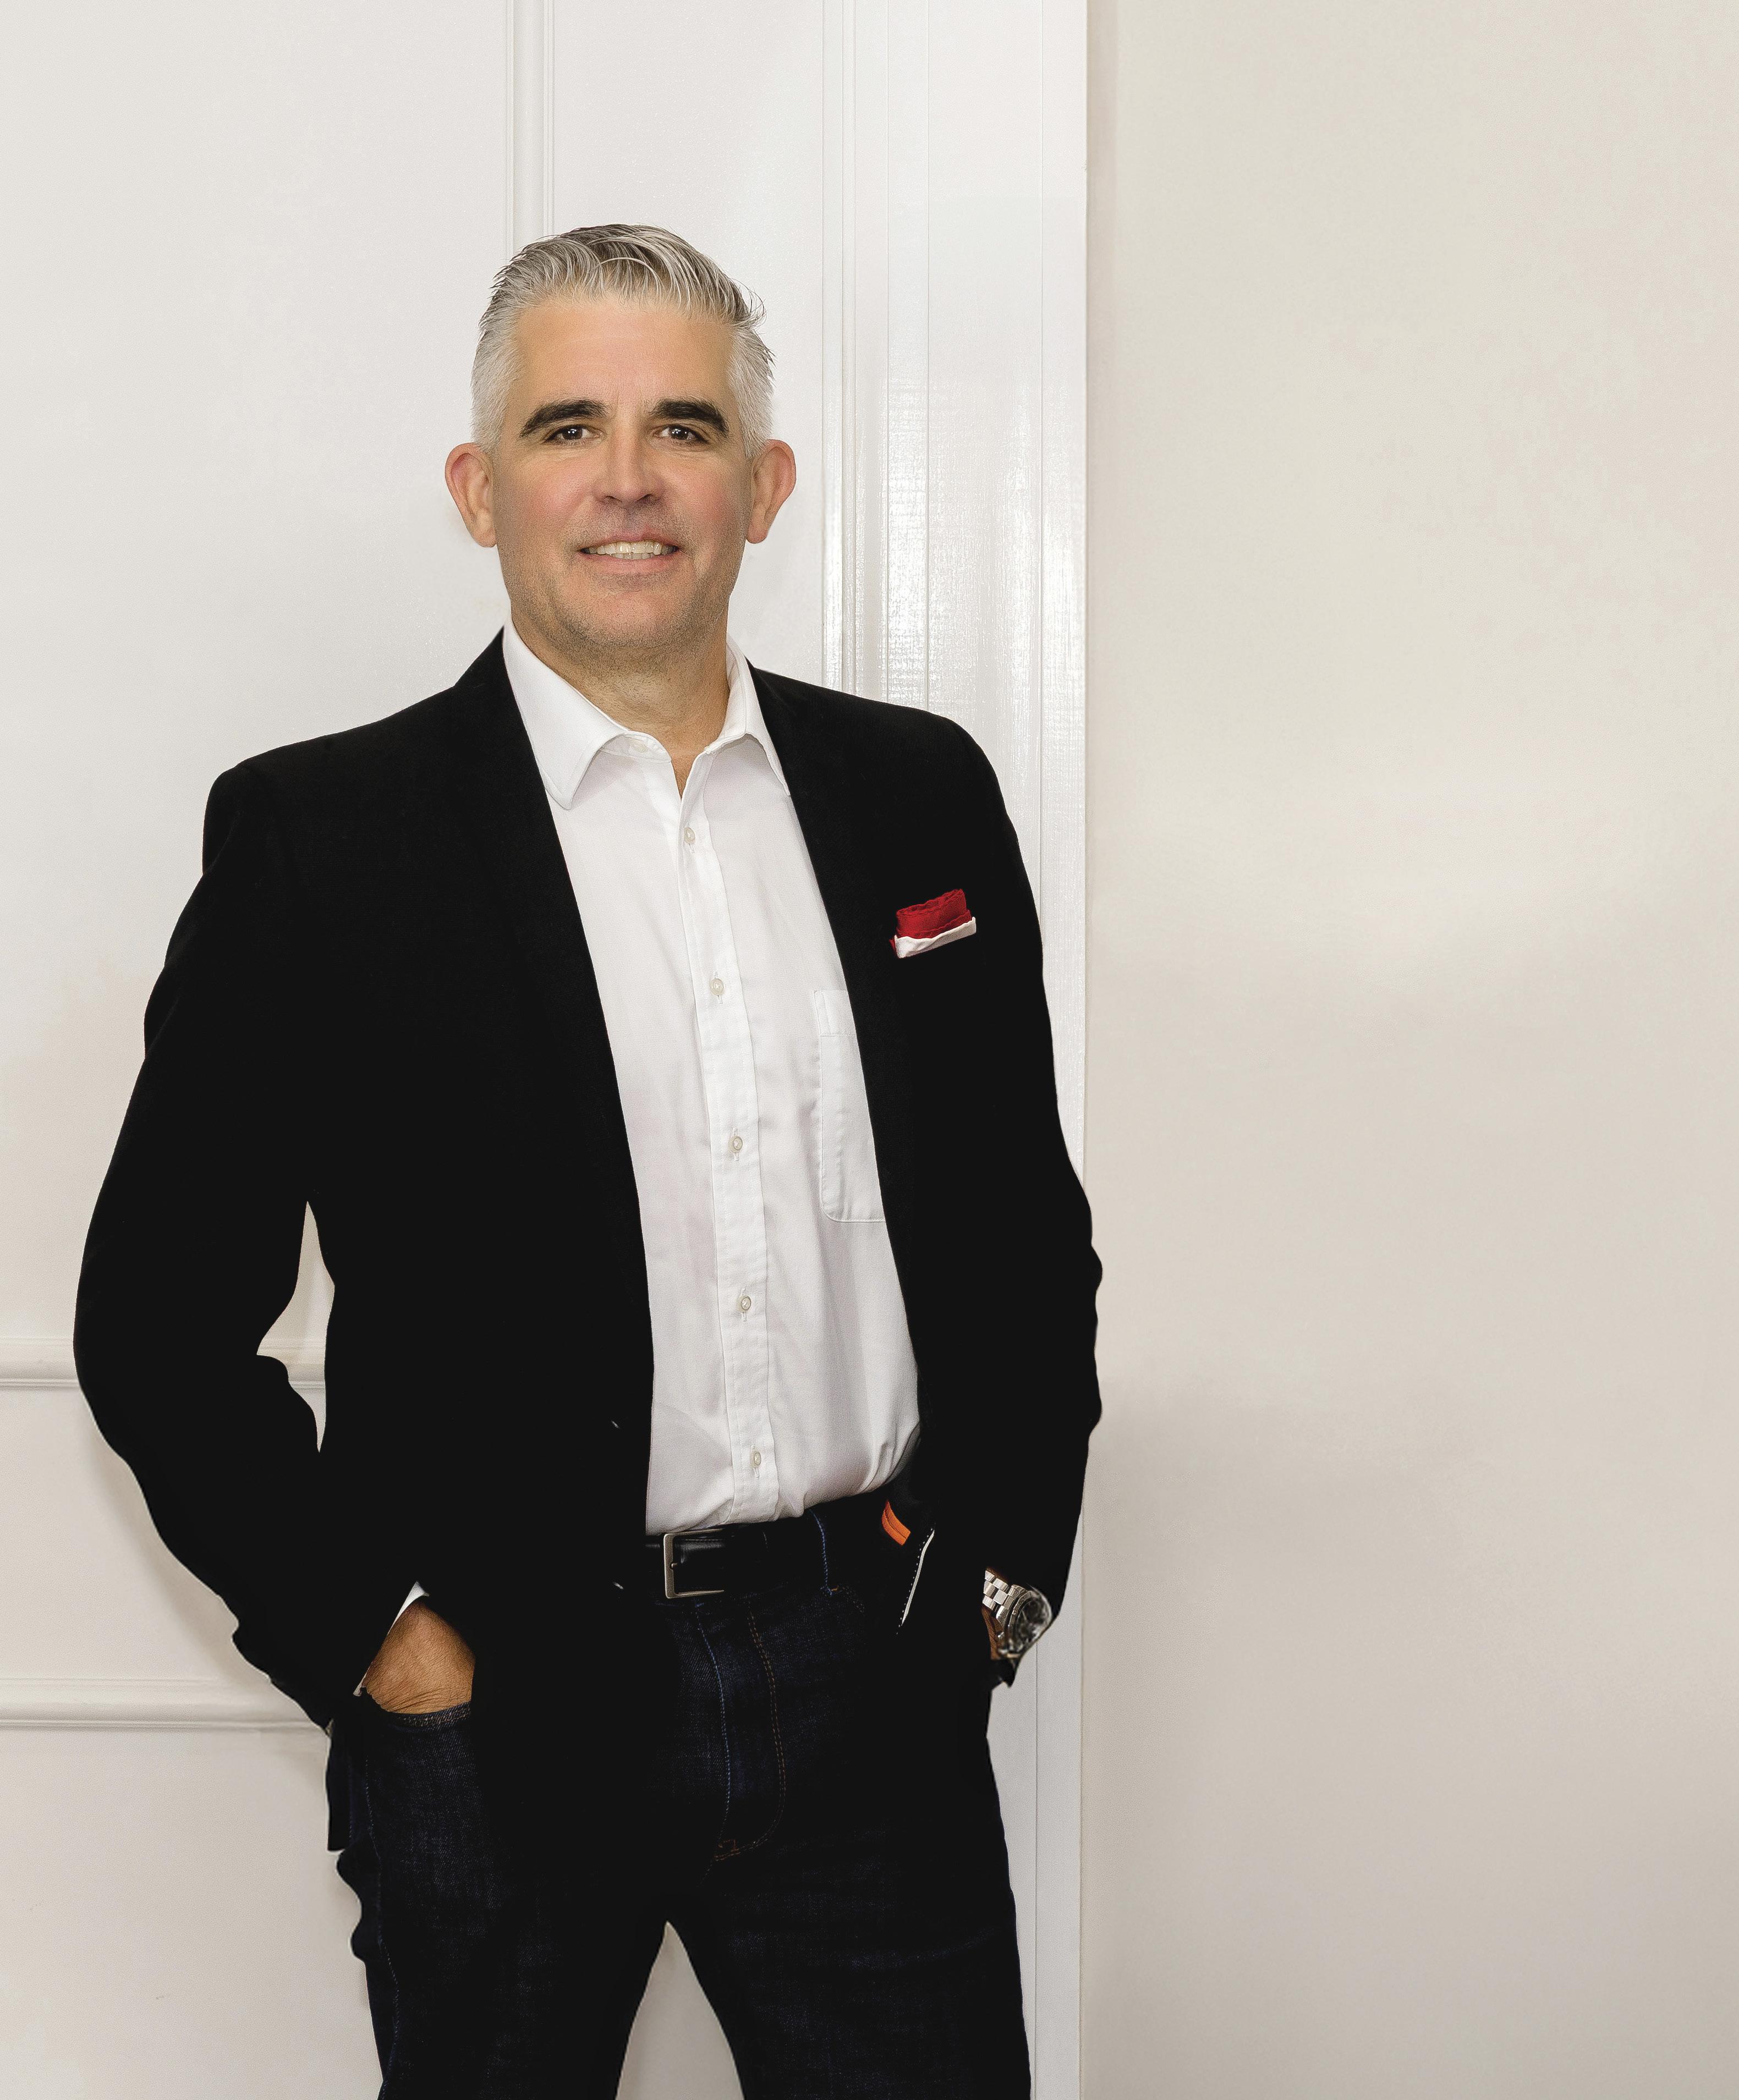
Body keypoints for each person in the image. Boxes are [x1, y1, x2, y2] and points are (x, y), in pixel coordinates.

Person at [74, 223, 1100, 2099]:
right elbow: (154, 1326)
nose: (628, 478)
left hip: (872, 1679)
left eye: (682, 427)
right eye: (568, 428)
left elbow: (1020, 1234)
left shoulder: (918, 796)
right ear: (481, 490)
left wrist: (994, 1579)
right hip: (504, 1711)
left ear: (761, 485)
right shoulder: (323, 839)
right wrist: (390, 1649)